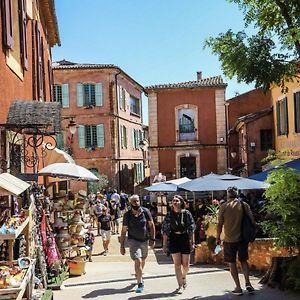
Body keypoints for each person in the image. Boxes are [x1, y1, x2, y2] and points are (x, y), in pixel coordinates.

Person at [217, 186, 256, 296]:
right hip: (242, 239)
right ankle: (248, 283)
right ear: (237, 194)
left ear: (227, 194)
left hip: (229, 239)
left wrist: (217, 238)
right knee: (244, 261)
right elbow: (252, 220)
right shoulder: (244, 205)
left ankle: (238, 287)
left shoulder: (224, 207)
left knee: (232, 263)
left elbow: (219, 224)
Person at [119, 194, 156, 293]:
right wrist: (122, 245)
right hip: (133, 241)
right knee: (138, 260)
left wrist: (152, 239)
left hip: (144, 240)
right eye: (134, 201)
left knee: (143, 260)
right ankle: (140, 283)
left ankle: (138, 273)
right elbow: (123, 231)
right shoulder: (127, 215)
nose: (137, 203)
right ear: (130, 203)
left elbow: (151, 226)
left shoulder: (146, 212)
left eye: (138, 201)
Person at [161, 195, 196, 295]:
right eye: (173, 201)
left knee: (186, 265)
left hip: (184, 238)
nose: (175, 202)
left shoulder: (187, 213)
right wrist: (164, 245)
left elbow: (192, 229)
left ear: (181, 202)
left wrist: (192, 242)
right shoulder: (169, 215)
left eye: (177, 200)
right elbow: (165, 230)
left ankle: (184, 276)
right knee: (177, 264)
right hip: (174, 238)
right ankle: (180, 285)